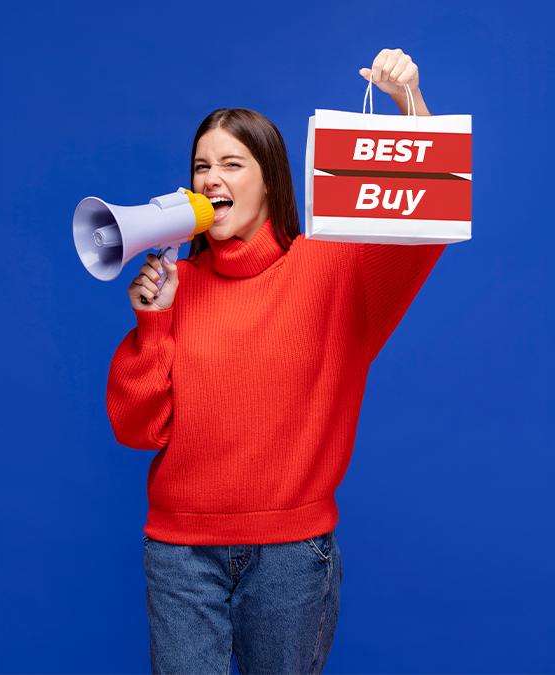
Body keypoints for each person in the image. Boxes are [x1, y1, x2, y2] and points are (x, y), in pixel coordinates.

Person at [106, 49, 444, 674]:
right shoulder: (176, 284)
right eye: (201, 165)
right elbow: (138, 430)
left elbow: (425, 220)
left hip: (291, 554)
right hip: (180, 553)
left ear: (271, 179)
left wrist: (410, 107)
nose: (212, 178)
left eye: (232, 163)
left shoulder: (336, 271)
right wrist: (152, 322)